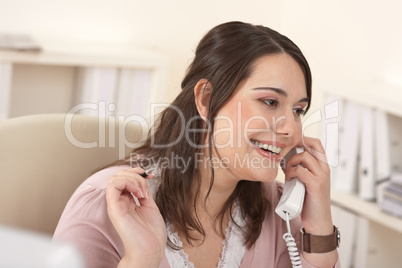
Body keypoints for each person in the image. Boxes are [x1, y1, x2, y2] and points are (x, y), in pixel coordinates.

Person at [54, 21, 340, 268]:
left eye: (298, 110)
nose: (290, 128)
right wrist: (142, 259)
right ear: (205, 99)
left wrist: (319, 227)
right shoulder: (104, 205)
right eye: (270, 102)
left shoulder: (279, 212)